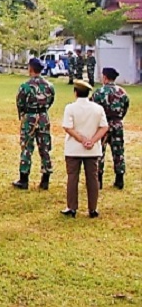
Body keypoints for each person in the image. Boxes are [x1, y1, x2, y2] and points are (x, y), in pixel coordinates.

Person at [60, 80, 108, 218]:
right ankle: (92, 208)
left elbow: (68, 127)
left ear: (75, 93)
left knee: (73, 177)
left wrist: (81, 139)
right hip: (92, 150)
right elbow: (104, 127)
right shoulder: (98, 108)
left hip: (74, 148)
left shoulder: (70, 108)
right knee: (92, 178)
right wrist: (92, 140)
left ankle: (72, 207)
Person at [13, 58, 56, 190]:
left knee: (26, 147)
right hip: (43, 117)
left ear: (30, 68)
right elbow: (51, 100)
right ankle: (45, 179)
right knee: (45, 147)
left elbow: (20, 103)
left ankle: (24, 179)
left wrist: (24, 114)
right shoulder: (49, 86)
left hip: (29, 117)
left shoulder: (25, 86)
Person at [91, 67, 130, 190]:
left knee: (99, 152)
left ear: (105, 77)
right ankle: (119, 179)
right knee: (118, 151)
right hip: (117, 124)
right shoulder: (122, 92)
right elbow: (125, 108)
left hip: (103, 125)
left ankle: (99, 180)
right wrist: (117, 119)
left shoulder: (98, 92)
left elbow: (93, 109)